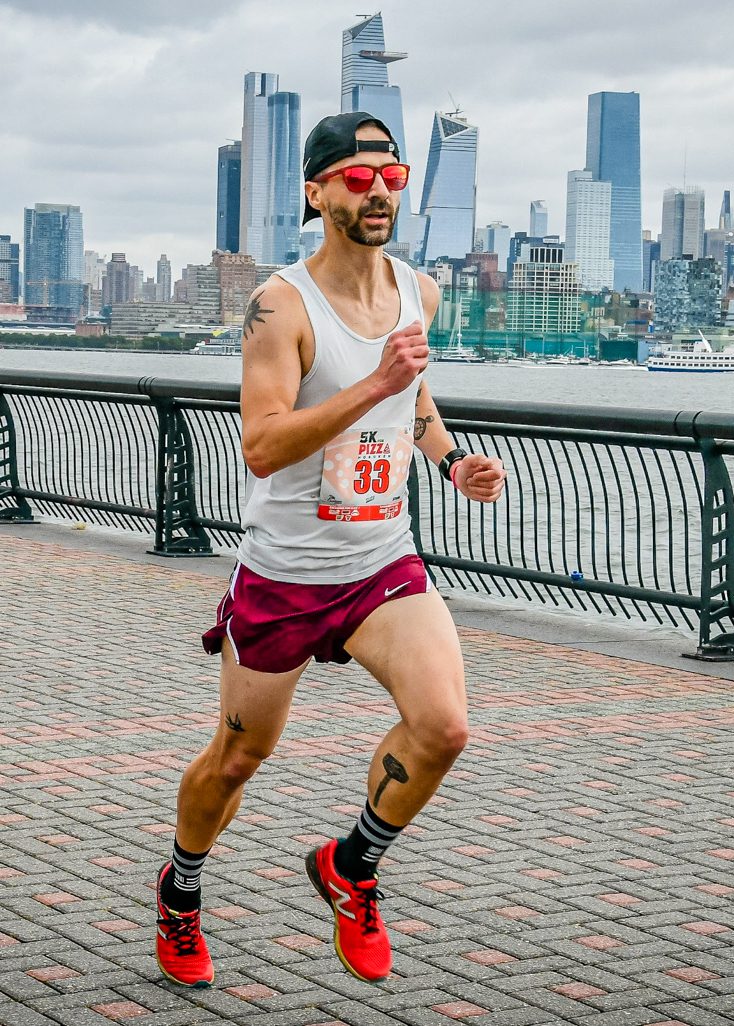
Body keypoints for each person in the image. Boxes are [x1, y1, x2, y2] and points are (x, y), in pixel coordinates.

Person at [155, 111, 506, 988]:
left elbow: (411, 403)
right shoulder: (280, 304)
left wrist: (451, 457)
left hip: (383, 561)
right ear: (316, 193)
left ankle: (351, 866)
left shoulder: (419, 291)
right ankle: (181, 887)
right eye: (358, 176)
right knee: (238, 758)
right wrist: (379, 381)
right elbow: (265, 445)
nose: (380, 188)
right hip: (285, 574)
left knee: (446, 726)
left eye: (393, 174)